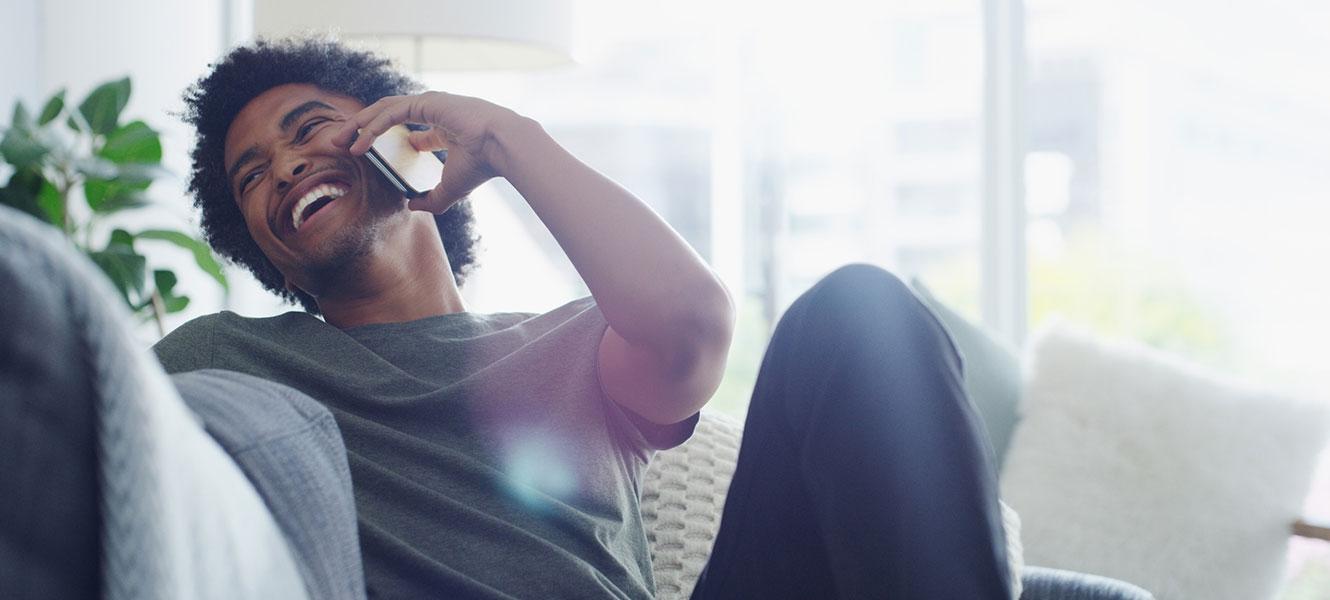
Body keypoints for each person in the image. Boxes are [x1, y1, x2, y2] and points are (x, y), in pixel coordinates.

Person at [45, 36, 1014, 598]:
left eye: (307, 131)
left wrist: (504, 140)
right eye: (251, 176)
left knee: (860, 318)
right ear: (263, 246)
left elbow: (689, 330)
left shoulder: (571, 344)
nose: (285, 167)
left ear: (404, 136)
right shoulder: (225, 366)